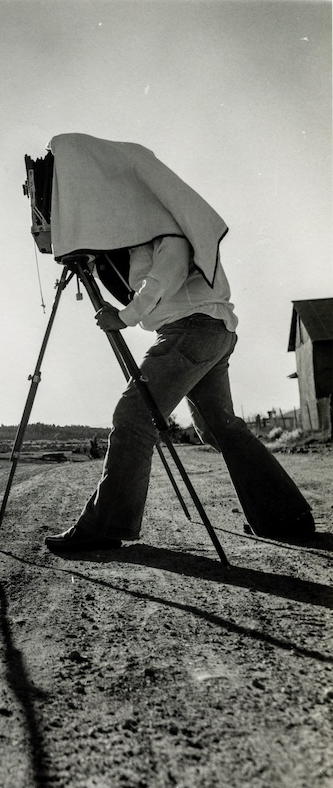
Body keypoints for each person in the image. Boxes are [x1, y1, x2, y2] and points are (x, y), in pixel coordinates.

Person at [40, 134, 314, 553]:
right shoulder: (146, 234)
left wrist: (125, 317)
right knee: (218, 427)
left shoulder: (170, 230)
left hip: (193, 331)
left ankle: (106, 527)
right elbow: (140, 281)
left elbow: (161, 281)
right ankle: (286, 517)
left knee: (133, 415)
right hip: (205, 333)